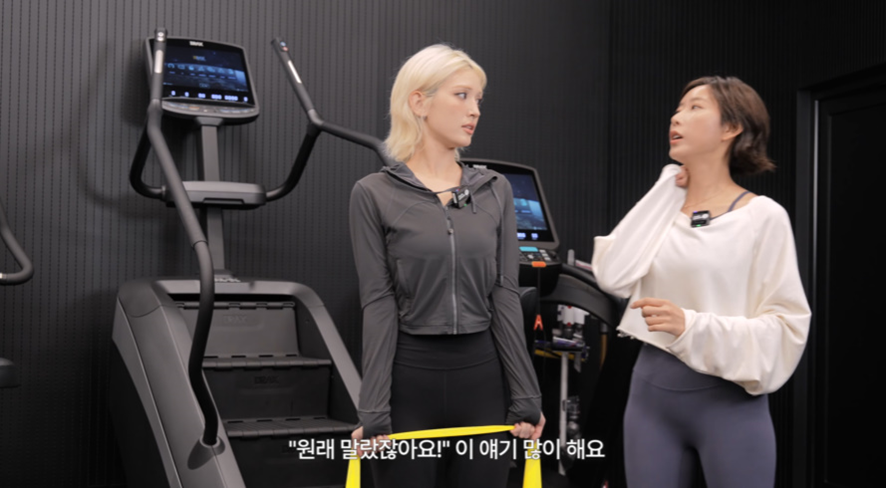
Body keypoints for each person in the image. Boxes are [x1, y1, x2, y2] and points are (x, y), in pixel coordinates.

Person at [591, 76, 811, 487]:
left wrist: (690, 326)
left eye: (695, 107)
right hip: (649, 398)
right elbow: (612, 274)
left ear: (732, 127)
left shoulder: (763, 217)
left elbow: (786, 330)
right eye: (678, 108)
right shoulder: (664, 205)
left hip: (730, 404)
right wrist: (666, 188)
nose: (676, 117)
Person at [348, 44, 545, 488]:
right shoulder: (373, 193)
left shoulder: (495, 189)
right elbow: (377, 302)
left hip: (482, 383)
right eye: (462, 95)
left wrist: (526, 393)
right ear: (419, 102)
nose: (475, 110)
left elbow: (504, 295)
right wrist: (373, 407)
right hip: (408, 385)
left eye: (478, 99)